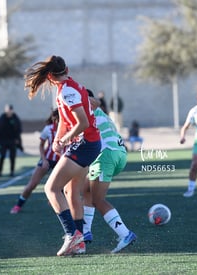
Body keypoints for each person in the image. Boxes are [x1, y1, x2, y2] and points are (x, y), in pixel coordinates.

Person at [24, 55, 101, 256]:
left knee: (51, 188)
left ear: (49, 76)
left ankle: (71, 235)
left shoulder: (67, 91)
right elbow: (68, 120)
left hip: (85, 145)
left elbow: (82, 123)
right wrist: (59, 139)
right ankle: (80, 241)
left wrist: (65, 139)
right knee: (71, 192)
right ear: (66, 69)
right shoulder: (71, 86)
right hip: (88, 144)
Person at [82, 89, 137, 253]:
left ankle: (125, 234)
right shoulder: (98, 114)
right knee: (86, 190)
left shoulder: (88, 107)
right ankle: (85, 231)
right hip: (117, 153)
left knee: (98, 200)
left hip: (106, 155)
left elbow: (92, 102)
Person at [10, 109, 62, 214]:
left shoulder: (69, 128)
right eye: (60, 119)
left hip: (62, 161)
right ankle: (18, 205)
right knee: (32, 184)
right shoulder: (48, 129)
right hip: (48, 159)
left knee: (67, 185)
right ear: (55, 119)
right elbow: (41, 145)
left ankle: (57, 201)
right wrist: (44, 160)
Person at [0, 104, 22, 177]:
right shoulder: (2, 118)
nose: (9, 112)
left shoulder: (15, 118)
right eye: (7, 110)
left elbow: (18, 129)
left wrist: (17, 139)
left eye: (10, 110)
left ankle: (12, 171)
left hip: (12, 140)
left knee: (12, 156)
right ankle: (0, 171)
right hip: (3, 141)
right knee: (2, 156)